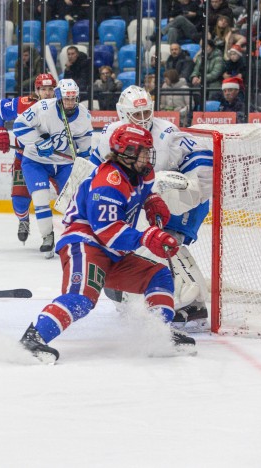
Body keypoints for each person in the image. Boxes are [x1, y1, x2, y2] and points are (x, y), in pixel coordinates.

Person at [19, 124, 195, 364]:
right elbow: (107, 231)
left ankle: (158, 334)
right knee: (82, 297)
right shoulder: (108, 183)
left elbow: (144, 191)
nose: (148, 156)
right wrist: (147, 237)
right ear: (127, 152)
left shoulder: (142, 173)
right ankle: (32, 339)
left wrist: (151, 200)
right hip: (86, 243)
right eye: (143, 151)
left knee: (159, 276)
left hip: (114, 251)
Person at [90, 86, 214, 332]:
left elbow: (205, 165)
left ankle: (188, 302)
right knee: (142, 248)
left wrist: (185, 192)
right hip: (146, 203)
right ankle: (189, 303)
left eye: (147, 112)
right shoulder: (110, 133)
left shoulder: (167, 133)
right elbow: (93, 173)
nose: (144, 119)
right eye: (137, 114)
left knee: (159, 245)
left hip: (180, 202)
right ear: (122, 113)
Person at [13, 78, 93, 258]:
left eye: (73, 99)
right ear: (59, 97)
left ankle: (75, 237)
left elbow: (85, 147)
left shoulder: (84, 116)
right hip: (36, 161)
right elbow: (18, 126)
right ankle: (47, 236)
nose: (70, 103)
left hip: (64, 164)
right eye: (66, 98)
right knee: (40, 197)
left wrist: (84, 162)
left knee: (74, 201)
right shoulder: (42, 108)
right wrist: (39, 141)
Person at [0, 73, 57, 244]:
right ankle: (23, 220)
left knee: (71, 198)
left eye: (51, 89)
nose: (47, 93)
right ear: (37, 90)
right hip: (25, 159)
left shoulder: (62, 106)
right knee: (19, 203)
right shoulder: (23, 104)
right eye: (43, 89)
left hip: (56, 160)